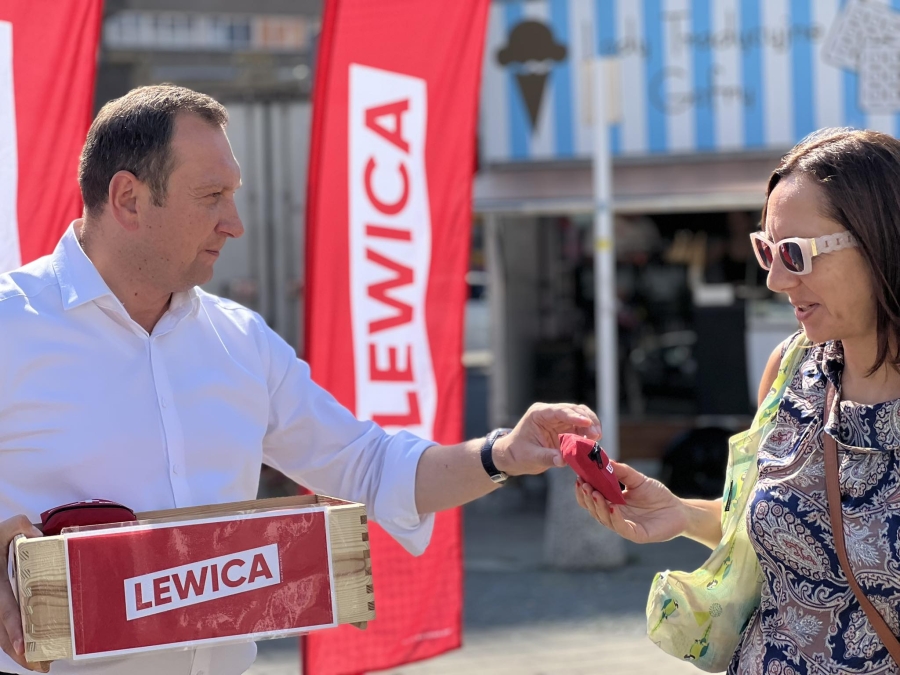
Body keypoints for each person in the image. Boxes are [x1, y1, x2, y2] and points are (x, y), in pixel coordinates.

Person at [0, 85, 602, 675]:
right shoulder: (11, 326)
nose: (234, 223)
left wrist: (502, 453)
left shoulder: (240, 340)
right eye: (211, 196)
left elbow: (369, 466)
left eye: (232, 195)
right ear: (128, 199)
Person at [577, 127, 900, 673]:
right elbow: (783, 529)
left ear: (881, 243)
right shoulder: (790, 369)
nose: (775, 279)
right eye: (767, 250)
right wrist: (681, 513)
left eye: (794, 253)